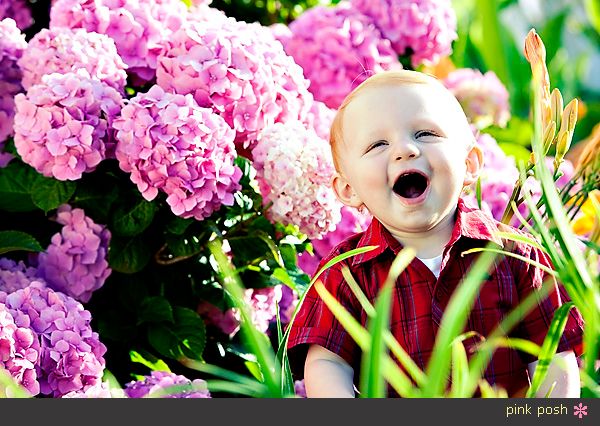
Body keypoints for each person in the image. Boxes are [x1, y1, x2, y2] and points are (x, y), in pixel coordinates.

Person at [286, 70, 584, 398]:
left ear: (469, 163)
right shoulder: (345, 274)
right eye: (377, 144)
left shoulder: (516, 255)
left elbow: (554, 355)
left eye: (426, 133)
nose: (405, 150)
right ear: (347, 189)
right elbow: (327, 363)